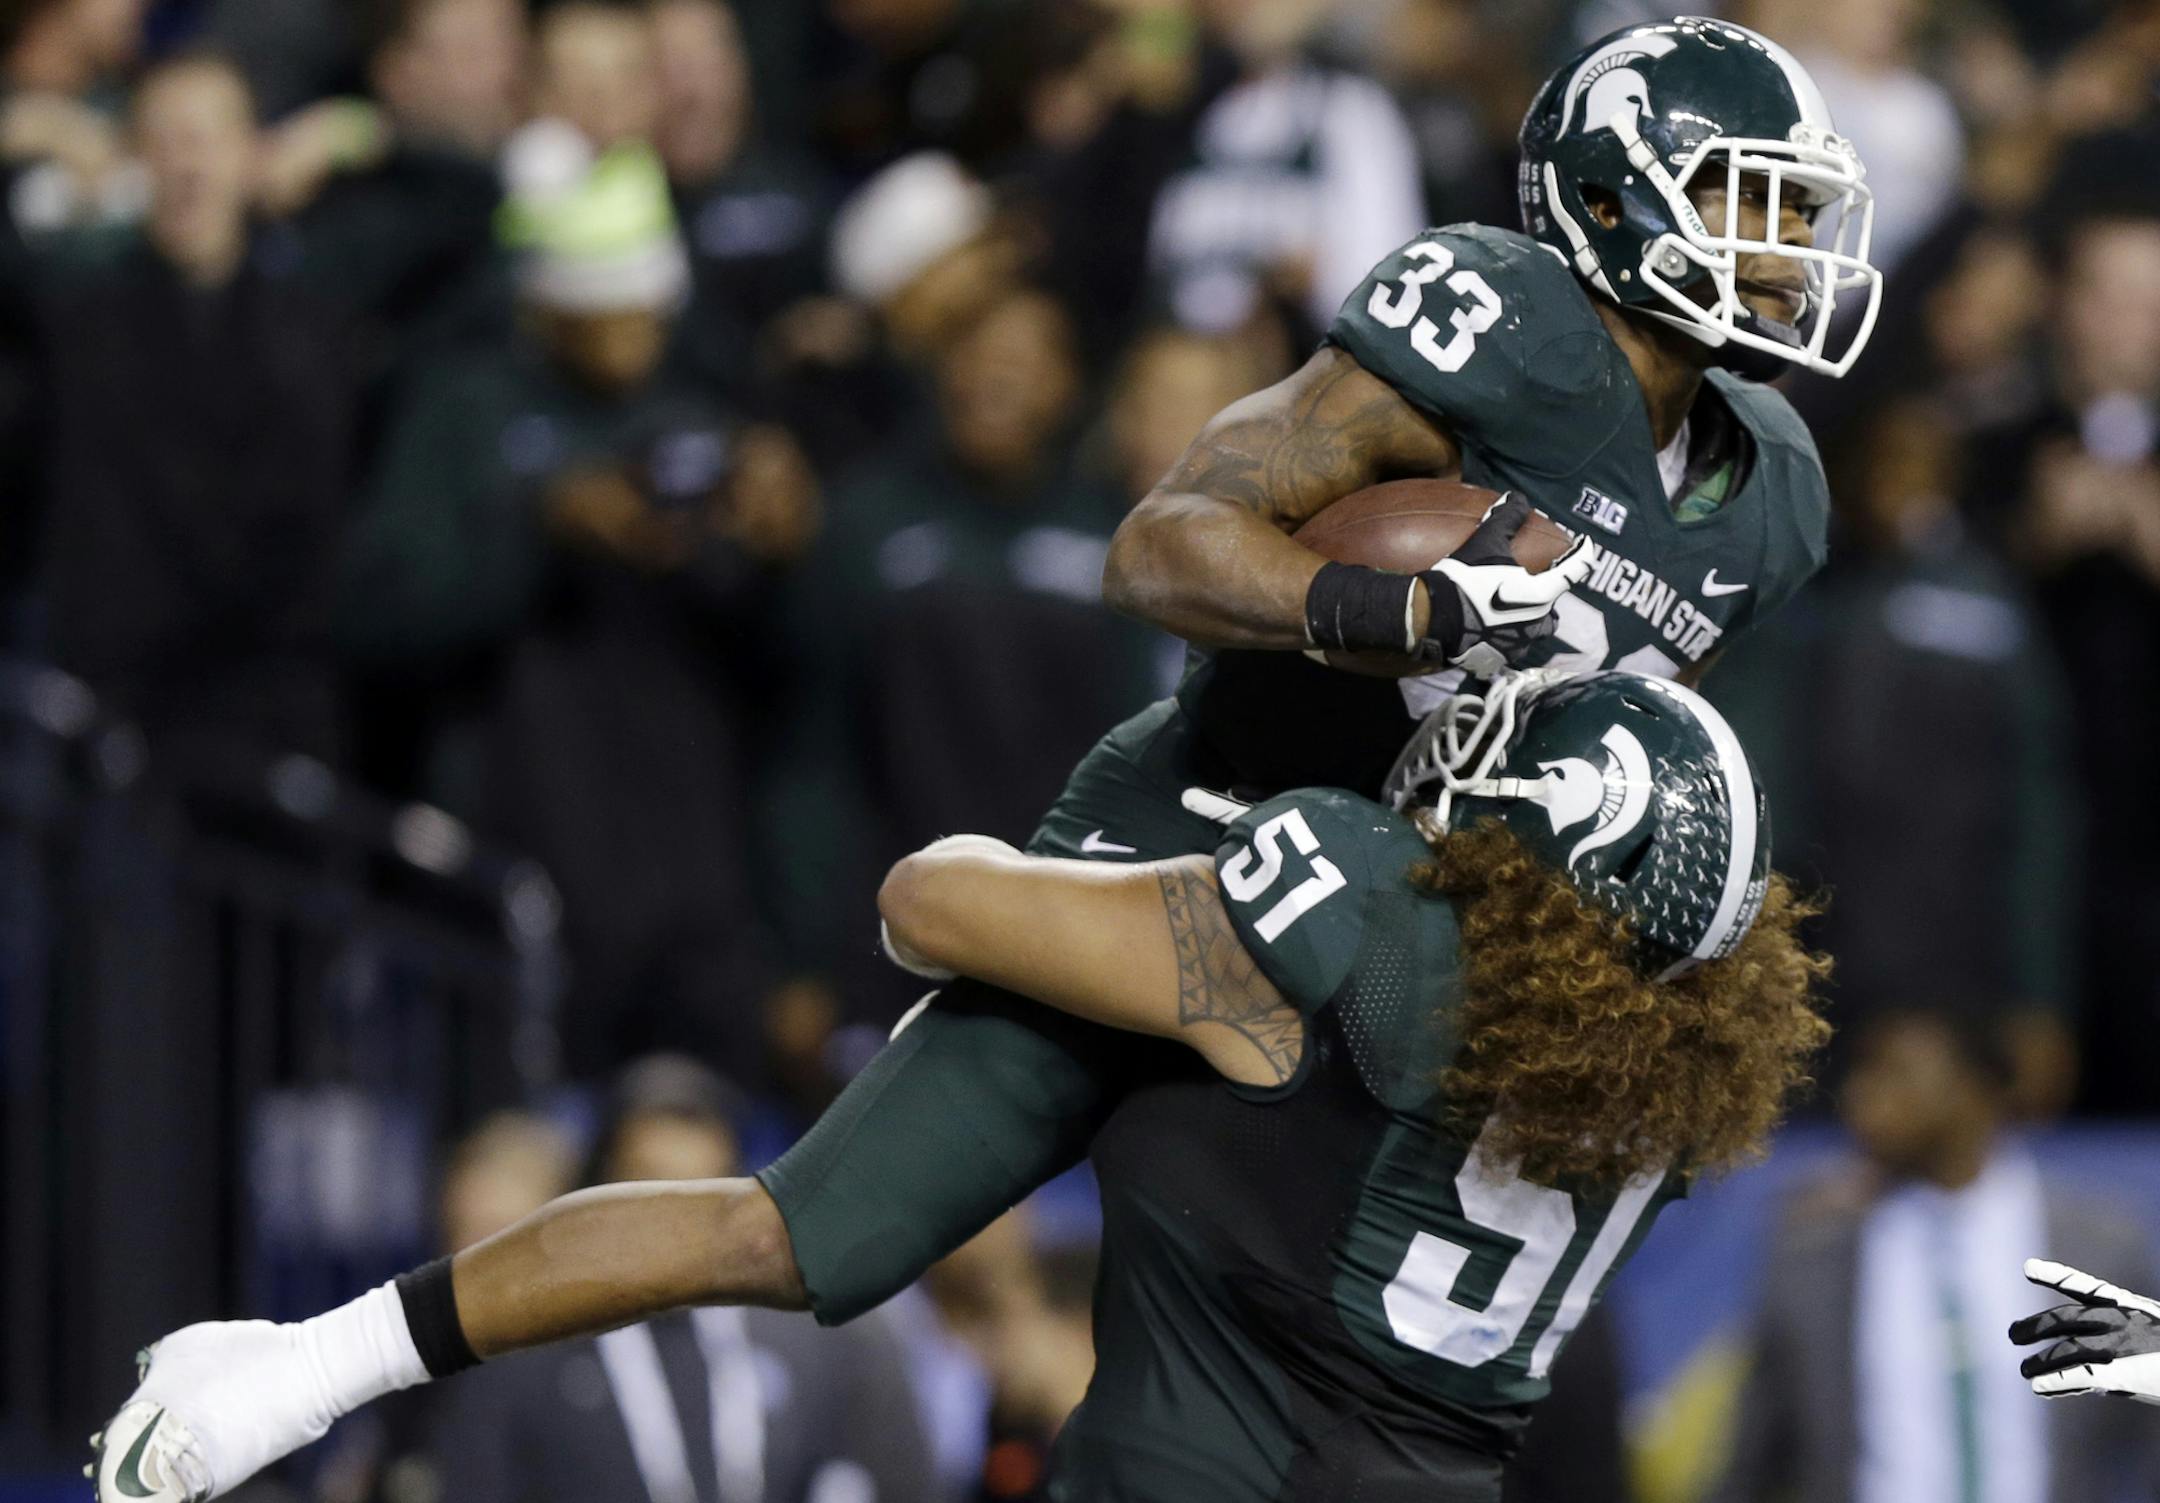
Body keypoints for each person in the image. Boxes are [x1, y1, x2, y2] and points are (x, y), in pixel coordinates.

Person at [103, 13, 1883, 1487]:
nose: (1791, 252)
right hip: (1205, 827)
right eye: (1750, 202)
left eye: (1800, 213)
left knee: (1381, 1367)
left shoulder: (1777, 493)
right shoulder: (1492, 329)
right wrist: (1408, 619)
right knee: (807, 1234)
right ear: (1606, 197)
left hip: (1394, 914)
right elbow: (1166, 542)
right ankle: (308, 1363)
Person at [92, 669, 1831, 1500]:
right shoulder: (1682, 1071)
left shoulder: (1365, 917)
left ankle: (301, 1369)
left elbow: (932, 901)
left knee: (787, 1220)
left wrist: (1185, 859)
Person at [428, 1057, 936, 1503]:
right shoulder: (521, 1350)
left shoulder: (827, 1340)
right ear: (599, 1192)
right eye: (650, 1191)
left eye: (703, 1196)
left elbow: (900, 1482)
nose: (678, 1228)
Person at [1709, 1009, 2160, 1503]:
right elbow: (1753, 1461)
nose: (1862, 1096)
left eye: (1898, 1073)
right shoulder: (1812, 1249)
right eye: (1863, 1072)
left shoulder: (2099, 1248)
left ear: (1977, 1090)